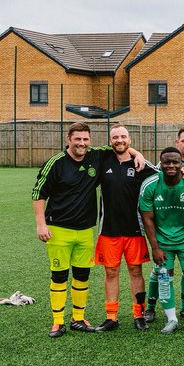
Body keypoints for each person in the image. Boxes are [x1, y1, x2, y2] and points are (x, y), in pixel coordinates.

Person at [32, 121, 146, 338]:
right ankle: (57, 322)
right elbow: (38, 193)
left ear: (90, 141)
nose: (81, 144)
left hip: (85, 230)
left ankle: (78, 318)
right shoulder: (55, 163)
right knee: (59, 275)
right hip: (58, 229)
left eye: (85, 139)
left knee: (82, 275)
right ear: (68, 140)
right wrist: (41, 224)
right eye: (77, 139)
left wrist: (136, 152)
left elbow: (120, 146)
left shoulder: (96, 156)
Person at [93, 124, 156, 332]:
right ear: (110, 141)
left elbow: (163, 174)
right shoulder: (103, 160)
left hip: (134, 230)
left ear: (130, 139)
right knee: (111, 272)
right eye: (115, 137)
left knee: (135, 271)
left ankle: (139, 314)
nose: (119, 140)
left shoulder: (141, 164)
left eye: (123, 137)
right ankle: (111, 317)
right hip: (108, 229)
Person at [138, 147, 184, 333]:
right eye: (166, 162)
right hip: (162, 241)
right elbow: (147, 218)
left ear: (181, 164)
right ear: (160, 164)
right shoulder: (150, 184)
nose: (171, 165)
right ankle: (171, 319)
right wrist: (155, 247)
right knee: (164, 278)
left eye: (175, 162)